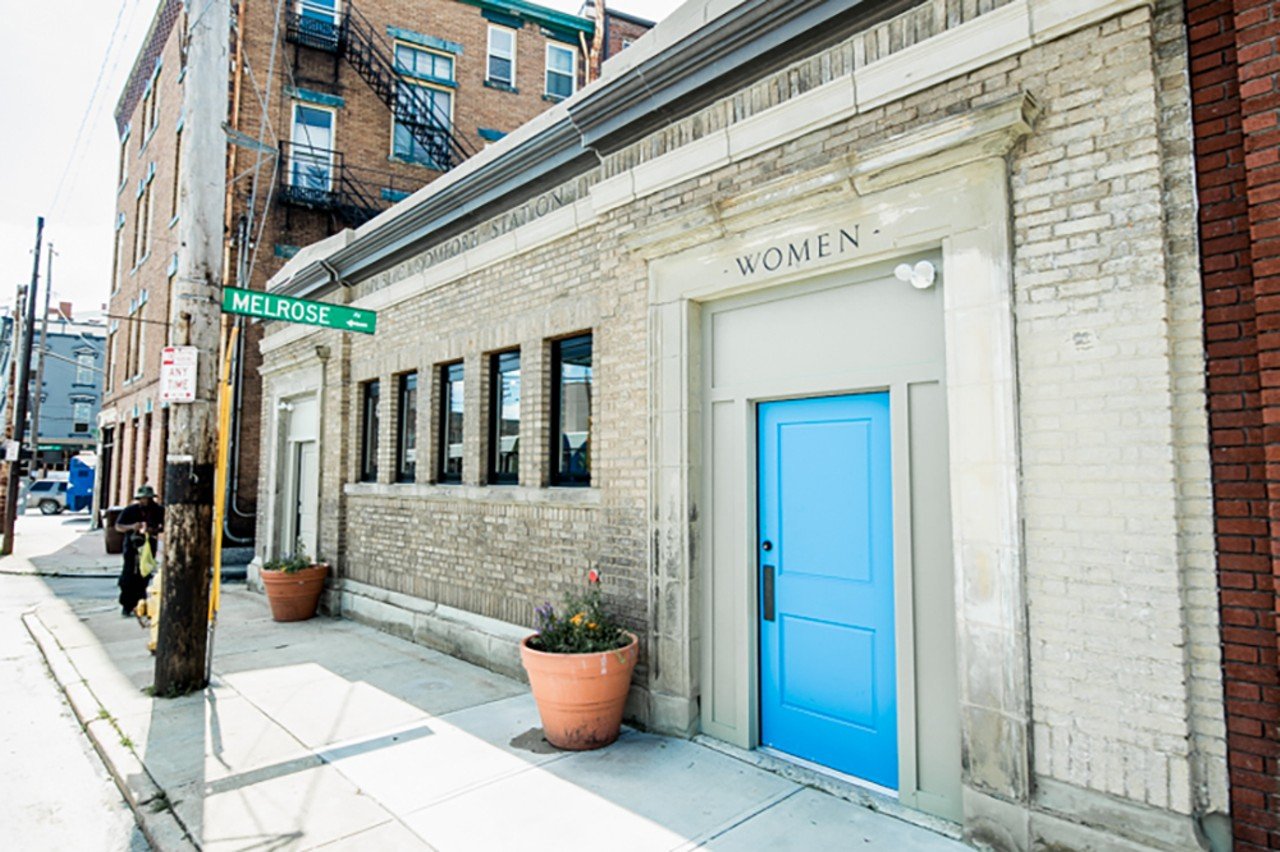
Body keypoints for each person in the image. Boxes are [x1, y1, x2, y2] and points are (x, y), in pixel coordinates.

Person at [116, 485, 164, 617]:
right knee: (128, 575)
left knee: (144, 575)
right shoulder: (131, 510)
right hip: (132, 547)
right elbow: (118, 526)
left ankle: (141, 603)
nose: (144, 501)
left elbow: (164, 525)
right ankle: (127, 605)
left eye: (147, 498)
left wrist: (153, 530)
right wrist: (133, 527)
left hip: (148, 547)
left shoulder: (158, 510)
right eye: (142, 499)